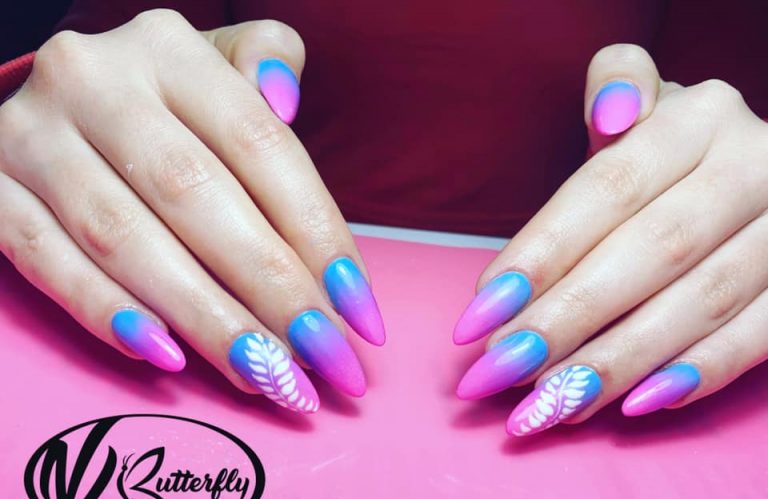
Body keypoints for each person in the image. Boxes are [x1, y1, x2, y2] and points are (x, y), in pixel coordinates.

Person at [0, 1, 766, 435]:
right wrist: (47, 111)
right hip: (203, 285)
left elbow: (726, 106)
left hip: (640, 315)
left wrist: (740, 169)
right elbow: (120, 61)